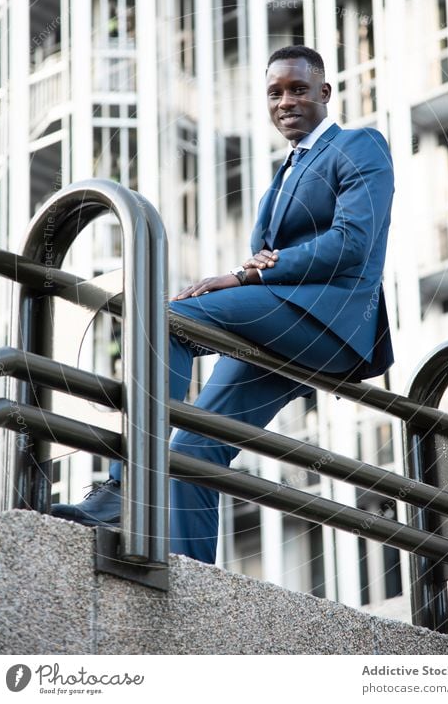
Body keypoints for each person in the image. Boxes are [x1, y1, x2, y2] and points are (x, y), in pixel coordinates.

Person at [51, 45, 394, 564]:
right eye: (275, 93)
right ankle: (189, 585)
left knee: (164, 322)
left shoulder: (358, 145)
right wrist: (234, 284)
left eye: (298, 89)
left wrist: (240, 275)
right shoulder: (283, 175)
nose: (286, 101)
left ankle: (122, 489)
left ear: (325, 92)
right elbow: (273, 255)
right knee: (194, 451)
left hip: (328, 319)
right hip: (286, 321)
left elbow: (353, 243)